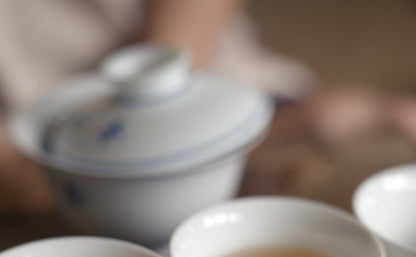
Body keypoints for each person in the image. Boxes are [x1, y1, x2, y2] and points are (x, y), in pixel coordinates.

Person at [0, 0, 415, 212]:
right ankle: (291, 131)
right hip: (33, 148)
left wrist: (152, 89)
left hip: (205, 72)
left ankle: (290, 126)